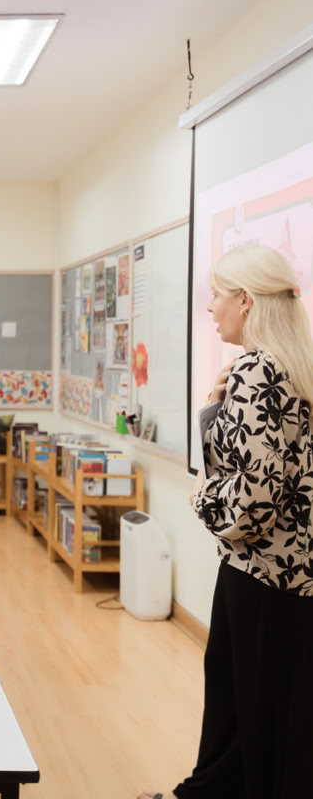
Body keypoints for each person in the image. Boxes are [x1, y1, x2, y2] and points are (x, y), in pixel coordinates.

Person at [142, 245, 313, 799]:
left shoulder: (257, 370)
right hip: (296, 579)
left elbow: (248, 509)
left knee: (242, 715)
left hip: (261, 576)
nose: (210, 308)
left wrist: (200, 495)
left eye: (216, 295)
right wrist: (218, 412)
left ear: (245, 301)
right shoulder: (294, 366)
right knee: (279, 721)